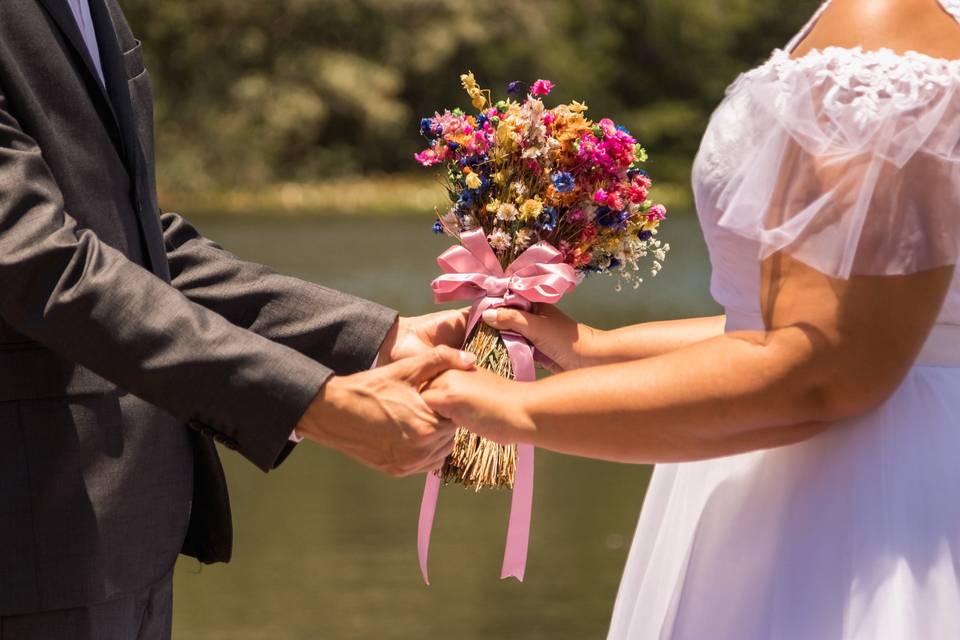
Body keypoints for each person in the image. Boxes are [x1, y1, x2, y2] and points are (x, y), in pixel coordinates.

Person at [423, 0, 960, 637]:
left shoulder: (885, 21)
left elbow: (826, 366)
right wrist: (596, 348)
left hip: (858, 505)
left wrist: (510, 410)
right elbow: (838, 323)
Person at [0, 0, 472, 638]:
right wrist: (312, 402)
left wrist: (379, 338)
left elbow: (137, 247)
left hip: (130, 536)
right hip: (32, 534)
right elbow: (40, 261)